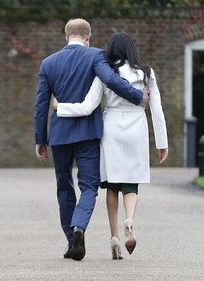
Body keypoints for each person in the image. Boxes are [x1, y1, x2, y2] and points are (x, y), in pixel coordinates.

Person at [34, 19, 148, 261]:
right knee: (88, 186)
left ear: (66, 37)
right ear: (88, 36)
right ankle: (79, 227)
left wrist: (40, 140)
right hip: (88, 134)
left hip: (60, 135)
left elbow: (41, 105)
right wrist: (138, 96)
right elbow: (112, 81)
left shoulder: (48, 63)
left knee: (64, 186)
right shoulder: (96, 56)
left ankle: (70, 240)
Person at [55, 32, 168, 259]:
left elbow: (87, 107)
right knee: (131, 180)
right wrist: (162, 143)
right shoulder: (146, 72)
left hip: (112, 126)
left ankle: (114, 236)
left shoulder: (105, 73)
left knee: (111, 183)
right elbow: (157, 110)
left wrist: (60, 107)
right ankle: (130, 220)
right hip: (137, 124)